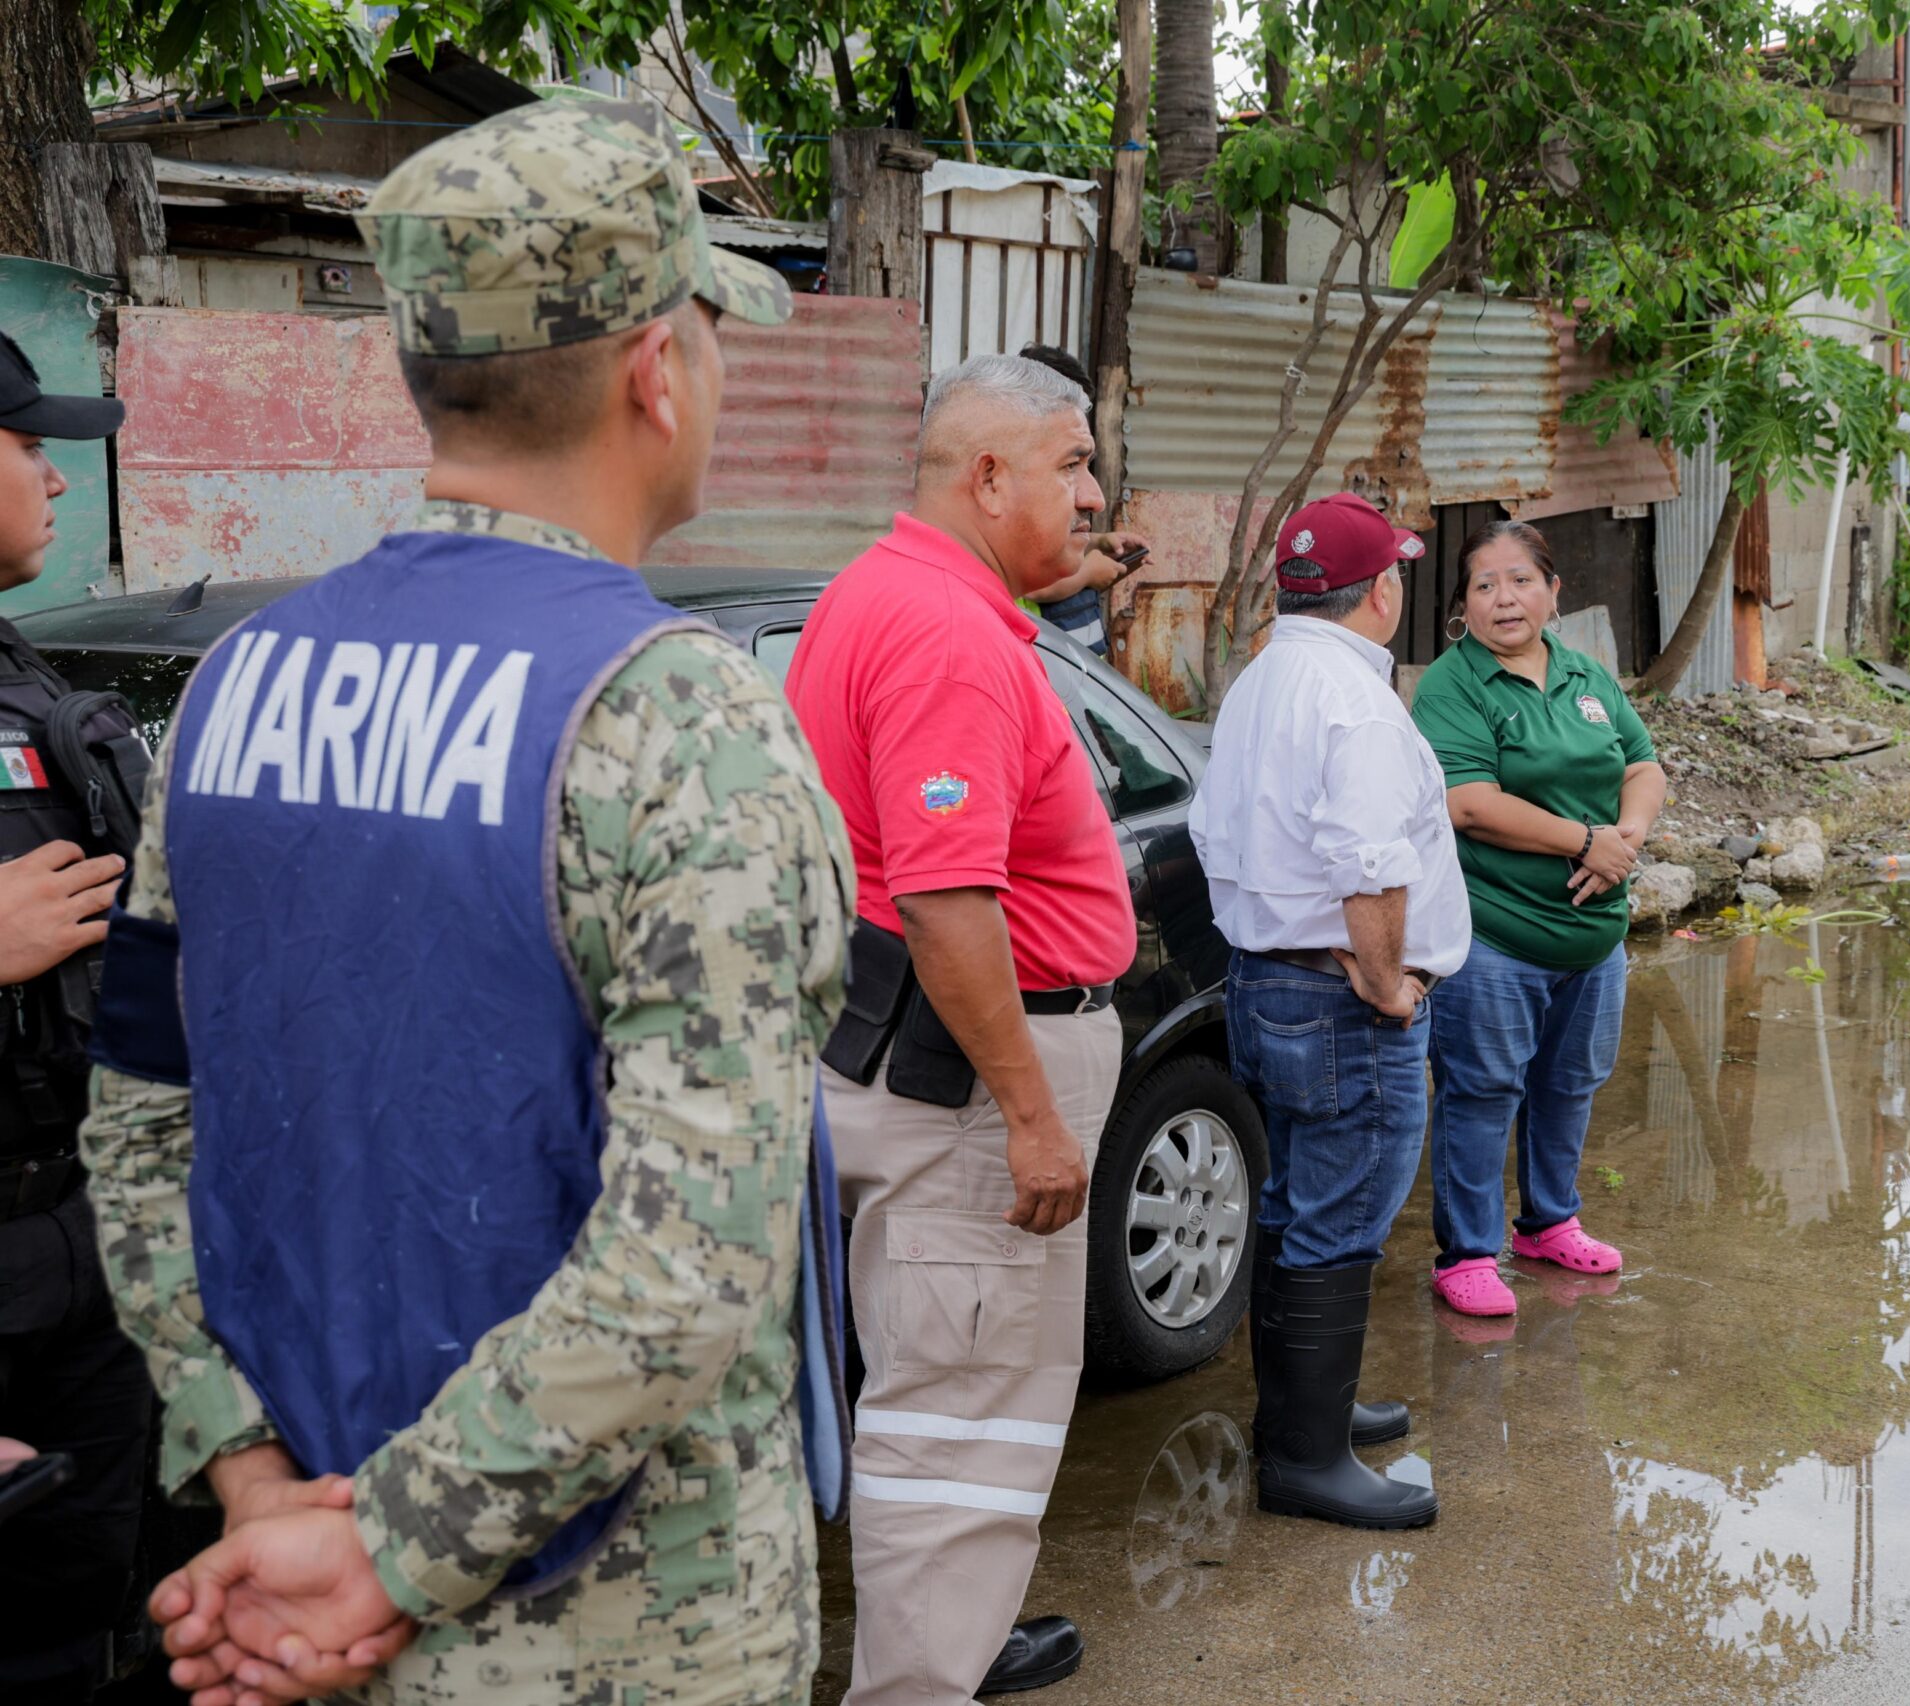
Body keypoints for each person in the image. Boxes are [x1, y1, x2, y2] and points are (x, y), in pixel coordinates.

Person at [79, 94, 854, 1705]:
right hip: (625, 1633)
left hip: (295, 1591)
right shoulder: (678, 720)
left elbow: (143, 1124)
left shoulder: (234, 688)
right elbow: (687, 1257)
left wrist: (253, 1482)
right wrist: (383, 1550)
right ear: (655, 371)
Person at [785, 351, 1137, 1705]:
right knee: (962, 1415)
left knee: (940, 1388)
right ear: (989, 477)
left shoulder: (882, 589)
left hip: (906, 1051)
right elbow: (944, 902)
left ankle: (946, 1639)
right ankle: (924, 1675)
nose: (1095, 494)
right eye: (1075, 464)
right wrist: (1035, 1118)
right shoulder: (944, 633)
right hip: (973, 1083)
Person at [1188, 491, 1469, 1531]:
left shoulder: (1263, 678)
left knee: (1295, 1201)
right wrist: (1389, 982)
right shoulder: (1356, 701)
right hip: (1342, 998)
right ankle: (1306, 1460)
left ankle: (1303, 1415)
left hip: (1269, 978)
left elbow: (1214, 828)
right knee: (1341, 1213)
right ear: (1382, 589)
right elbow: (1369, 861)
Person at [1409, 518, 1664, 1319]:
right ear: (1464, 605)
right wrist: (1586, 840)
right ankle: (1468, 1253)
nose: (1504, 598)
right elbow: (1469, 804)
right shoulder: (1453, 685)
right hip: (1496, 932)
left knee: (1570, 1083)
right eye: (1484, 585)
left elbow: (1642, 764)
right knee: (1482, 1092)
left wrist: (1624, 840)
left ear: (1554, 591)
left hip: (1594, 937)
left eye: (1520, 580)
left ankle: (1550, 1224)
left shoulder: (1585, 673)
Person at [0, 329, 148, 1704]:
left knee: (81, 1619)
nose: (56, 477)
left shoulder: (29, 678)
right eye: (28, 444)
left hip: (84, 1244)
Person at [1010, 344, 1148, 659]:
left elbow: (1057, 542)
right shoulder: (1020, 500)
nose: (1094, 499)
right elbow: (1032, 584)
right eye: (1071, 465)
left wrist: (1099, 542)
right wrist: (1086, 573)